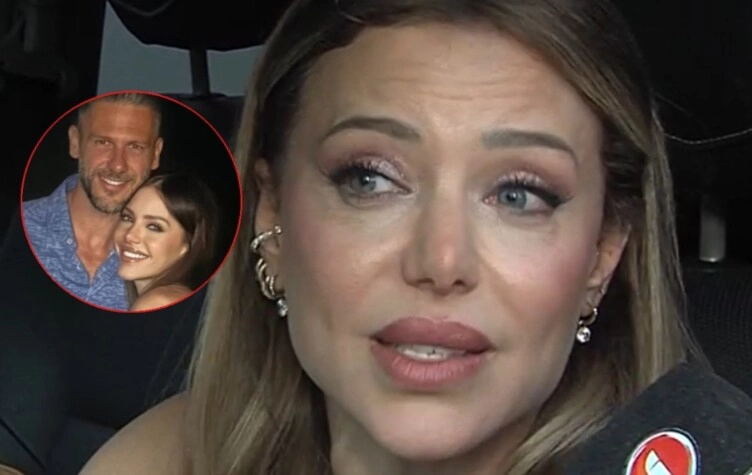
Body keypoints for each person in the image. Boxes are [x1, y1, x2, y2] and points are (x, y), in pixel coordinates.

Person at [81, 0, 706, 473]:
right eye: (370, 180)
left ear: (602, 254)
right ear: (272, 221)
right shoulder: (167, 458)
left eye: (519, 195)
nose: (441, 261)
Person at [22, 92, 163, 311]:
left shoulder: (171, 261)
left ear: (155, 154)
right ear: (75, 143)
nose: (118, 165)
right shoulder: (14, 229)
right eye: (103, 142)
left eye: (135, 147)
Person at [113, 172, 219, 311]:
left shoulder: (159, 301)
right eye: (128, 218)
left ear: (187, 244)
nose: (130, 235)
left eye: (154, 227)